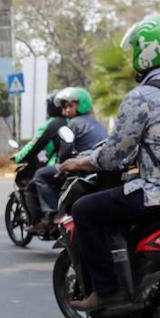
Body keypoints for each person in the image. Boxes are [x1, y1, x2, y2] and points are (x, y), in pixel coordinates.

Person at [56, 14, 160, 311]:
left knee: (85, 209)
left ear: (149, 50)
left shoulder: (143, 96)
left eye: (136, 48)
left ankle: (107, 291)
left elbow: (114, 155)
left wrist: (80, 163)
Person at [28, 87, 106, 231]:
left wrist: (60, 164)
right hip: (96, 166)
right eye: (64, 106)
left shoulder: (74, 123)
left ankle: (52, 213)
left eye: (69, 105)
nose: (65, 110)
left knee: (40, 175)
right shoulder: (98, 123)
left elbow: (66, 150)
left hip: (81, 165)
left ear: (81, 104)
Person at [14, 94, 68, 225]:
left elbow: (35, 145)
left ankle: (44, 216)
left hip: (57, 163)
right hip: (74, 162)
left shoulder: (52, 124)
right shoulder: (71, 122)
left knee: (32, 183)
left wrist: (18, 157)